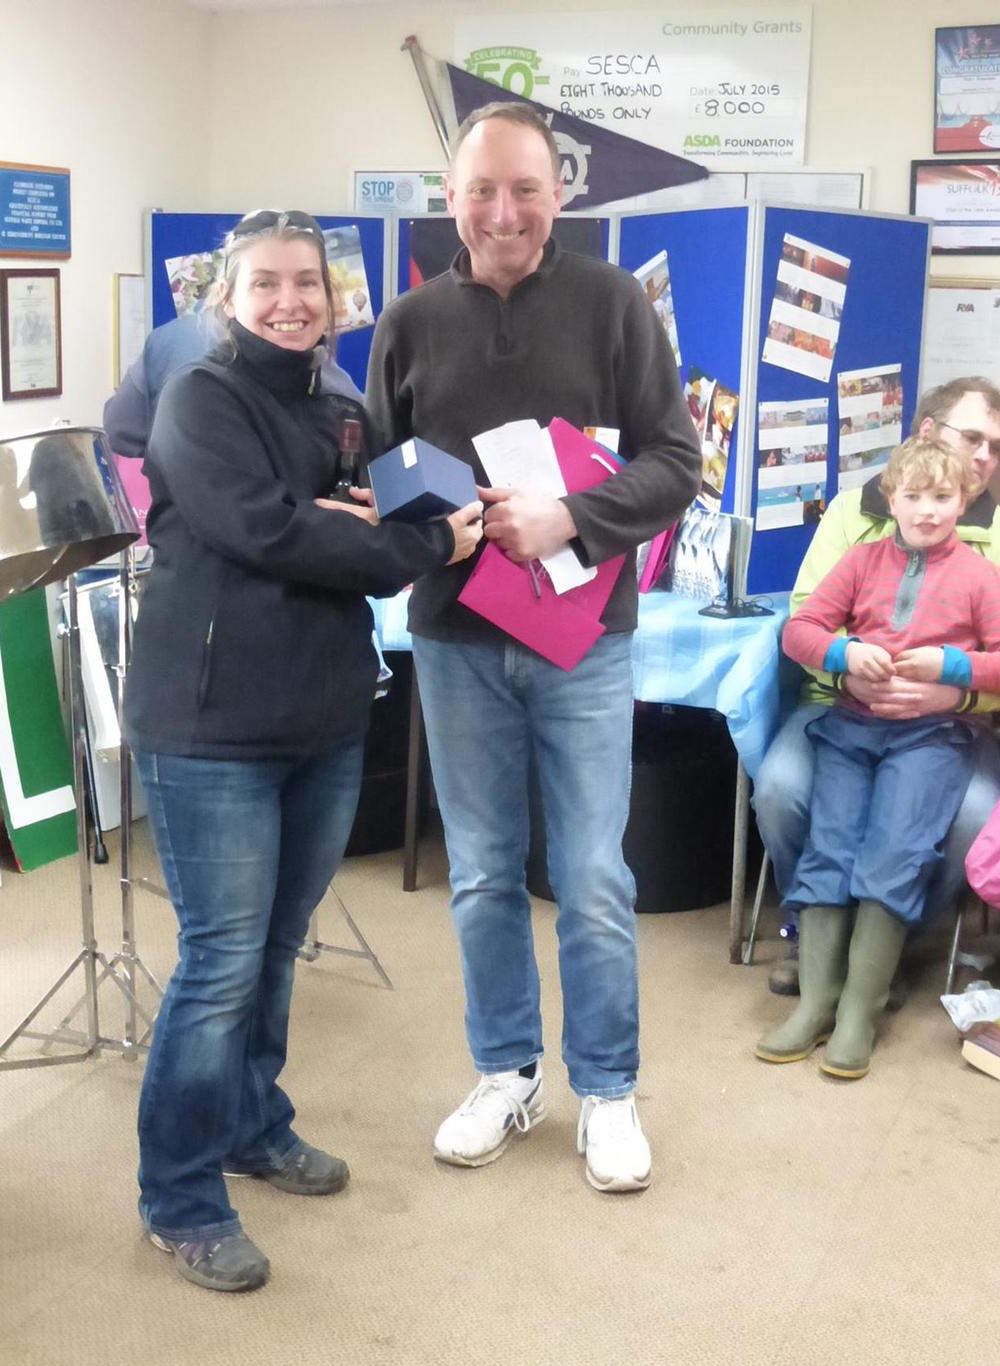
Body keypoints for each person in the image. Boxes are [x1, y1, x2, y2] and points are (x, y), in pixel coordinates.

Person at [122, 209, 483, 1292]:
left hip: (322, 719)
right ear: (226, 298)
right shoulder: (199, 401)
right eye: (267, 284)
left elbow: (399, 498)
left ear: (335, 301)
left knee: (277, 949)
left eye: (309, 286)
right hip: (211, 729)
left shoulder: (340, 403)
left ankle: (251, 1122)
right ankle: (179, 1195)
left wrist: (472, 503)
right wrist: (413, 541)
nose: (290, 302)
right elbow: (277, 531)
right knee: (220, 963)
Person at [366, 103, 701, 1193]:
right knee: (480, 873)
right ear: (450, 196)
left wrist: (571, 521)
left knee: (594, 874)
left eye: (523, 189)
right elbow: (381, 474)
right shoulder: (408, 321)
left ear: (559, 193)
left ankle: (607, 1087)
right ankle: (507, 1071)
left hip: (583, 644)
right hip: (456, 638)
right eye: (480, 190)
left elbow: (674, 460)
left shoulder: (612, 305)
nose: (502, 212)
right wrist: (434, 528)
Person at [756, 436, 1000, 1078]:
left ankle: (860, 1013)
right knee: (829, 848)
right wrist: (842, 654)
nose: (926, 511)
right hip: (850, 730)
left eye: (942, 497)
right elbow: (800, 630)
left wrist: (955, 665)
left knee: (895, 855)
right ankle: (815, 1006)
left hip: (930, 740)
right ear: (890, 499)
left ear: (965, 500)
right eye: (913, 496)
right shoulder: (862, 560)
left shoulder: (981, 576)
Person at [103, 300, 363, 462]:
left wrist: (171, 453)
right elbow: (358, 420)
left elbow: (119, 430)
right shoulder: (290, 346)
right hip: (267, 520)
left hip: (181, 523)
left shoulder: (166, 337)